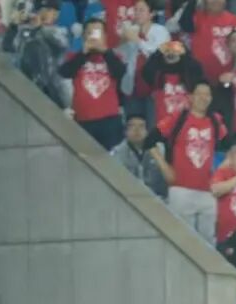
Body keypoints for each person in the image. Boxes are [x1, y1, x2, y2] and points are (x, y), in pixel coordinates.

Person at [145, 80, 228, 244]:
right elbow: (149, 141)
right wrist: (165, 168)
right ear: (190, 97)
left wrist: (219, 174)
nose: (203, 98)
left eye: (207, 94)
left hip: (207, 191)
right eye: (199, 94)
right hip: (181, 189)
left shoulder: (215, 121)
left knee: (209, 242)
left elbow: (230, 147)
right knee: (182, 240)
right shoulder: (178, 118)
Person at [59, 19, 126, 150]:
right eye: (90, 32)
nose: (94, 37)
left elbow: (120, 72)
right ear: (84, 36)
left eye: (97, 32)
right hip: (83, 120)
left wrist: (105, 51)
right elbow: (65, 72)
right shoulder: (74, 56)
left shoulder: (114, 56)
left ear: (105, 36)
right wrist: (83, 53)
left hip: (109, 119)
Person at [112, 115, 168, 198]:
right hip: (127, 198)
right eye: (132, 126)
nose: (137, 130)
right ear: (125, 132)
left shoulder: (160, 149)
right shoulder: (117, 153)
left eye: (141, 126)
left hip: (157, 198)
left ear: (148, 131)